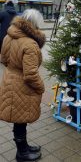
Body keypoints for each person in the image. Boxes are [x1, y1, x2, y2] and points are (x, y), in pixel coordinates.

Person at [0, 9, 46, 161]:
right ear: (34, 24)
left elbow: (4, 59)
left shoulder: (8, 36)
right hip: (22, 86)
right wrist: (41, 87)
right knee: (20, 120)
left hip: (9, 80)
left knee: (19, 119)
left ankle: (24, 146)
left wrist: (13, 70)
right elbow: (31, 74)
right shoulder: (30, 44)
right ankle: (22, 153)